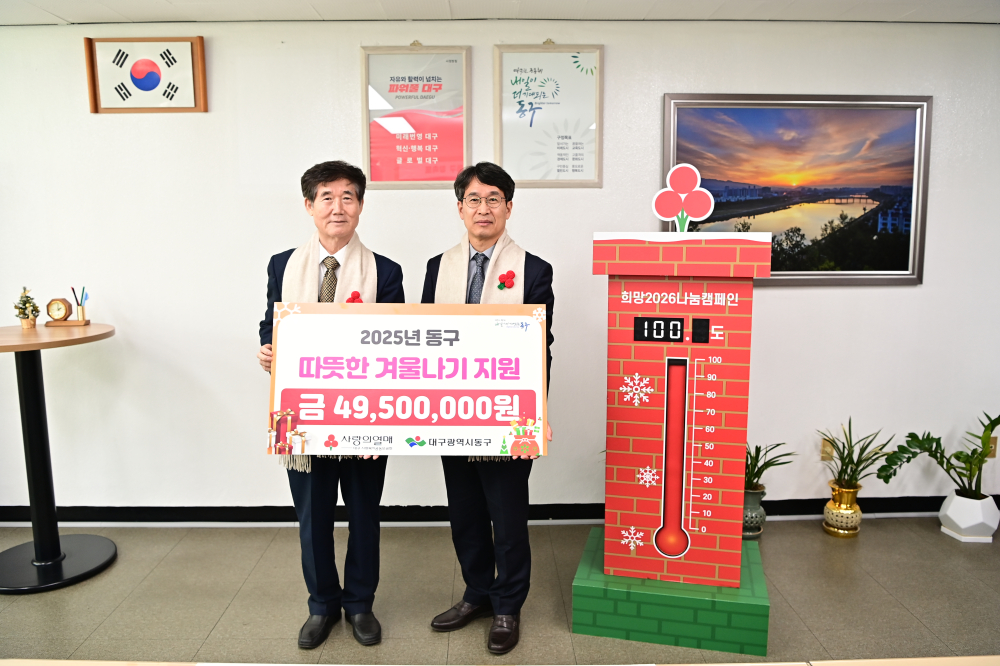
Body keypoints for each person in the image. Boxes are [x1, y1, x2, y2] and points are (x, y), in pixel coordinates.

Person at [258, 160, 404, 649]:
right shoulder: (282, 265)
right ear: (309, 205)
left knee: (364, 513)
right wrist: (267, 348)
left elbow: (398, 344)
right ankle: (321, 605)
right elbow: (271, 322)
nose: (337, 207)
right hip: (303, 416)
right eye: (326, 197)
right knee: (313, 516)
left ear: (360, 205)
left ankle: (360, 604)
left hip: (365, 416)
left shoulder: (385, 271)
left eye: (348, 197)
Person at [421, 162, 554, 655]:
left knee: (508, 515)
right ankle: (477, 593)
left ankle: (507, 606)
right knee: (465, 514)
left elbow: (540, 346)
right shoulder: (437, 267)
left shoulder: (534, 270)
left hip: (506, 413)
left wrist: (537, 414)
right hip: (452, 413)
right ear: (460, 208)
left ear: (508, 208)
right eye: (474, 200)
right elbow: (422, 341)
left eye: (493, 199)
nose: (483, 209)